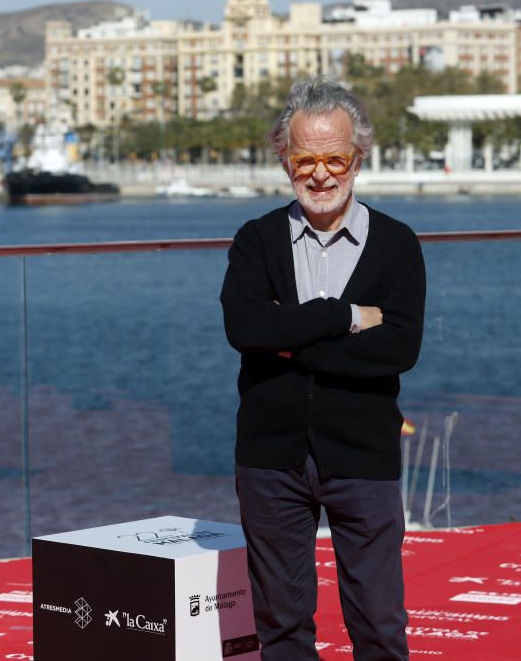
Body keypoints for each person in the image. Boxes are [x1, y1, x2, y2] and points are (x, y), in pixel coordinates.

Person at [220, 75, 426, 661]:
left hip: (363, 457)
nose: (320, 174)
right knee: (282, 627)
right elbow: (245, 331)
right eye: (304, 159)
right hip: (270, 459)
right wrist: (346, 316)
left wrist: (290, 334)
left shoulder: (398, 245)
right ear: (284, 158)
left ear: (358, 158)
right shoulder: (255, 241)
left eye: (335, 157)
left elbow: (400, 349)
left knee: (380, 625)